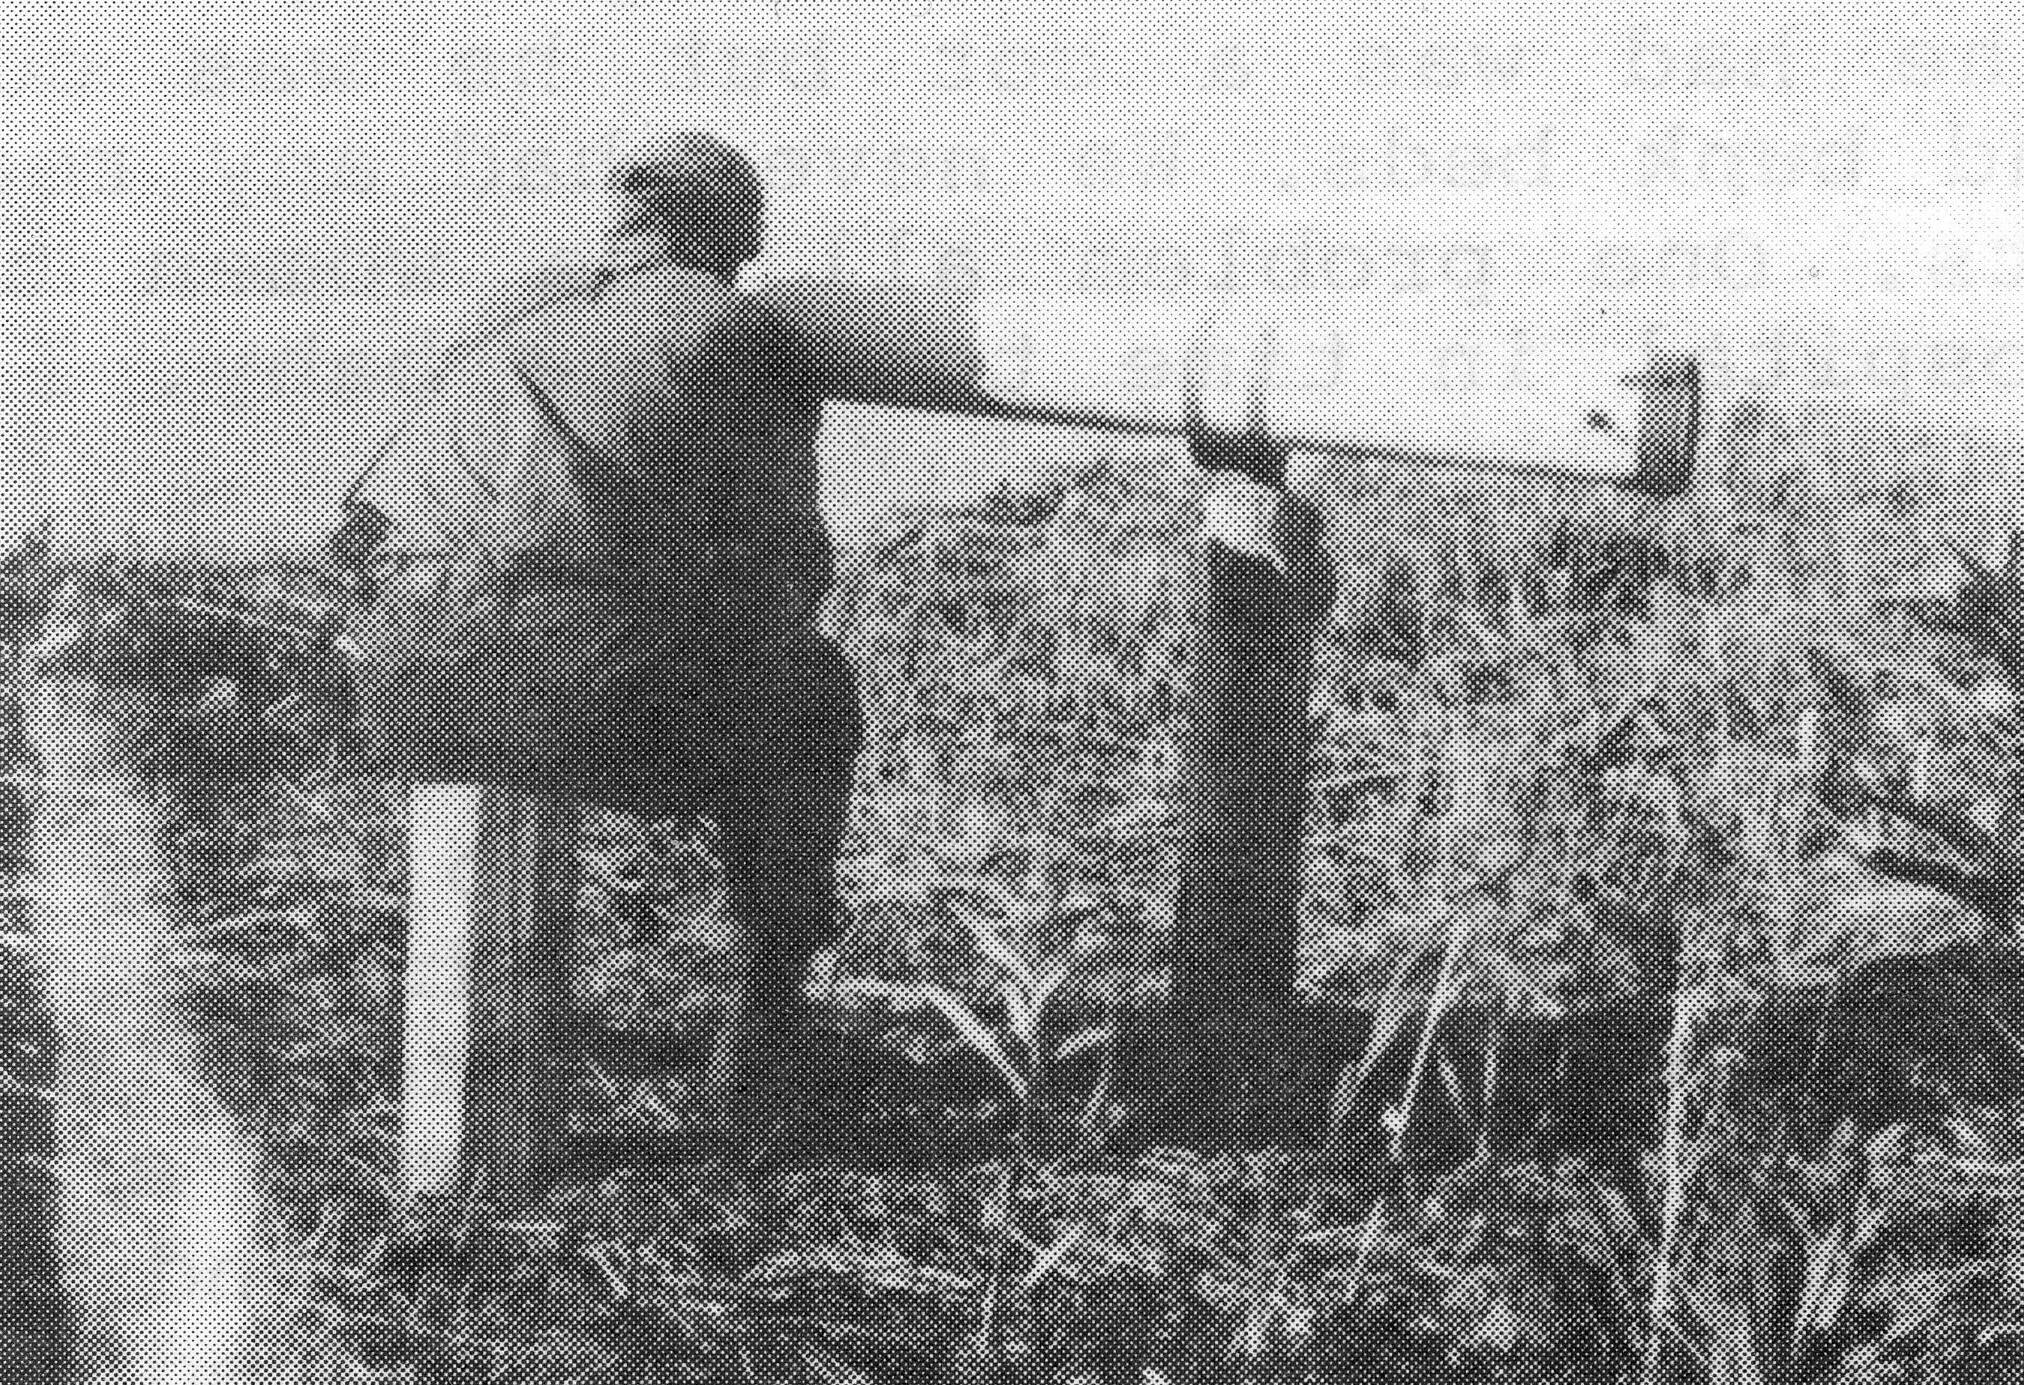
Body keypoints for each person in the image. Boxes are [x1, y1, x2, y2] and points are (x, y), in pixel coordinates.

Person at [330, 132, 863, 1131]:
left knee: (540, 672)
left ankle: (434, 1024)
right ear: (731, 231)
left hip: (399, 676)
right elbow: (782, 566)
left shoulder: (512, 303)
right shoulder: (734, 331)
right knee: (811, 695)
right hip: (560, 688)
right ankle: (764, 1027)